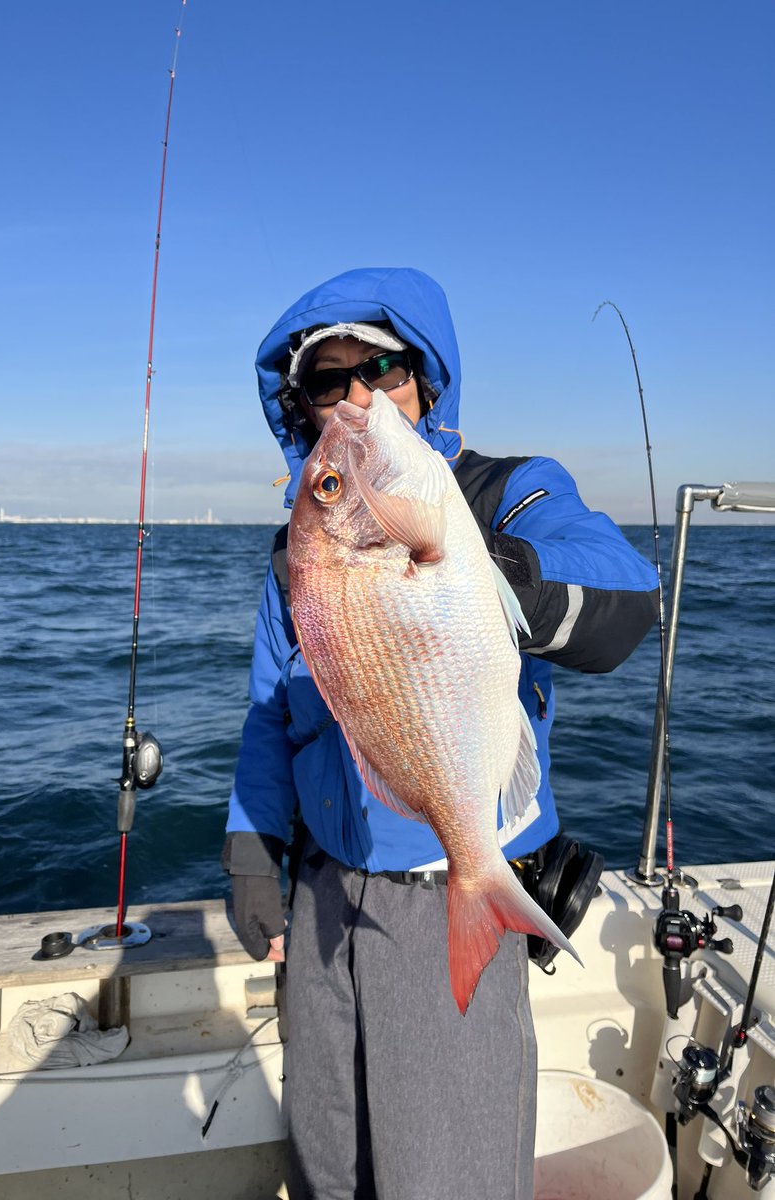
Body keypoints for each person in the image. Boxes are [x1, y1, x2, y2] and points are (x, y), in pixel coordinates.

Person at [222, 267, 659, 1199]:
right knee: (327, 1161)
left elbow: (626, 595)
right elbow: (272, 712)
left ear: (424, 377)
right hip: (323, 893)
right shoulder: (305, 547)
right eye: (326, 382)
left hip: (443, 888)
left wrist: (494, 569)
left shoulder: (505, 493)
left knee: (445, 1176)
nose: (357, 398)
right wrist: (252, 850)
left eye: (379, 369)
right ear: (300, 408)